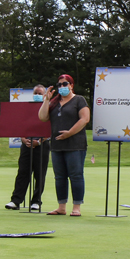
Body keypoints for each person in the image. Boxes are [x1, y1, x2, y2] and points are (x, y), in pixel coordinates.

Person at [39, 74, 90, 216]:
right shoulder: (54, 102)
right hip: (57, 145)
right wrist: (46, 100)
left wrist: (70, 132)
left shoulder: (79, 100)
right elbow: (43, 117)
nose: (62, 87)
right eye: (59, 84)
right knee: (59, 176)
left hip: (75, 144)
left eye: (65, 84)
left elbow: (85, 119)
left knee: (76, 175)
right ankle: (61, 207)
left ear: (71, 85)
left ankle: (77, 207)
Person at [5, 84, 50, 212]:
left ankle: (36, 201)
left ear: (45, 95)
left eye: (40, 93)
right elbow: (20, 125)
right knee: (23, 173)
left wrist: (39, 141)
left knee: (39, 174)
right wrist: (24, 139)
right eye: (35, 93)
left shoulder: (48, 108)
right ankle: (16, 200)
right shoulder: (27, 108)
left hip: (42, 145)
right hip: (26, 144)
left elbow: (50, 128)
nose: (37, 95)